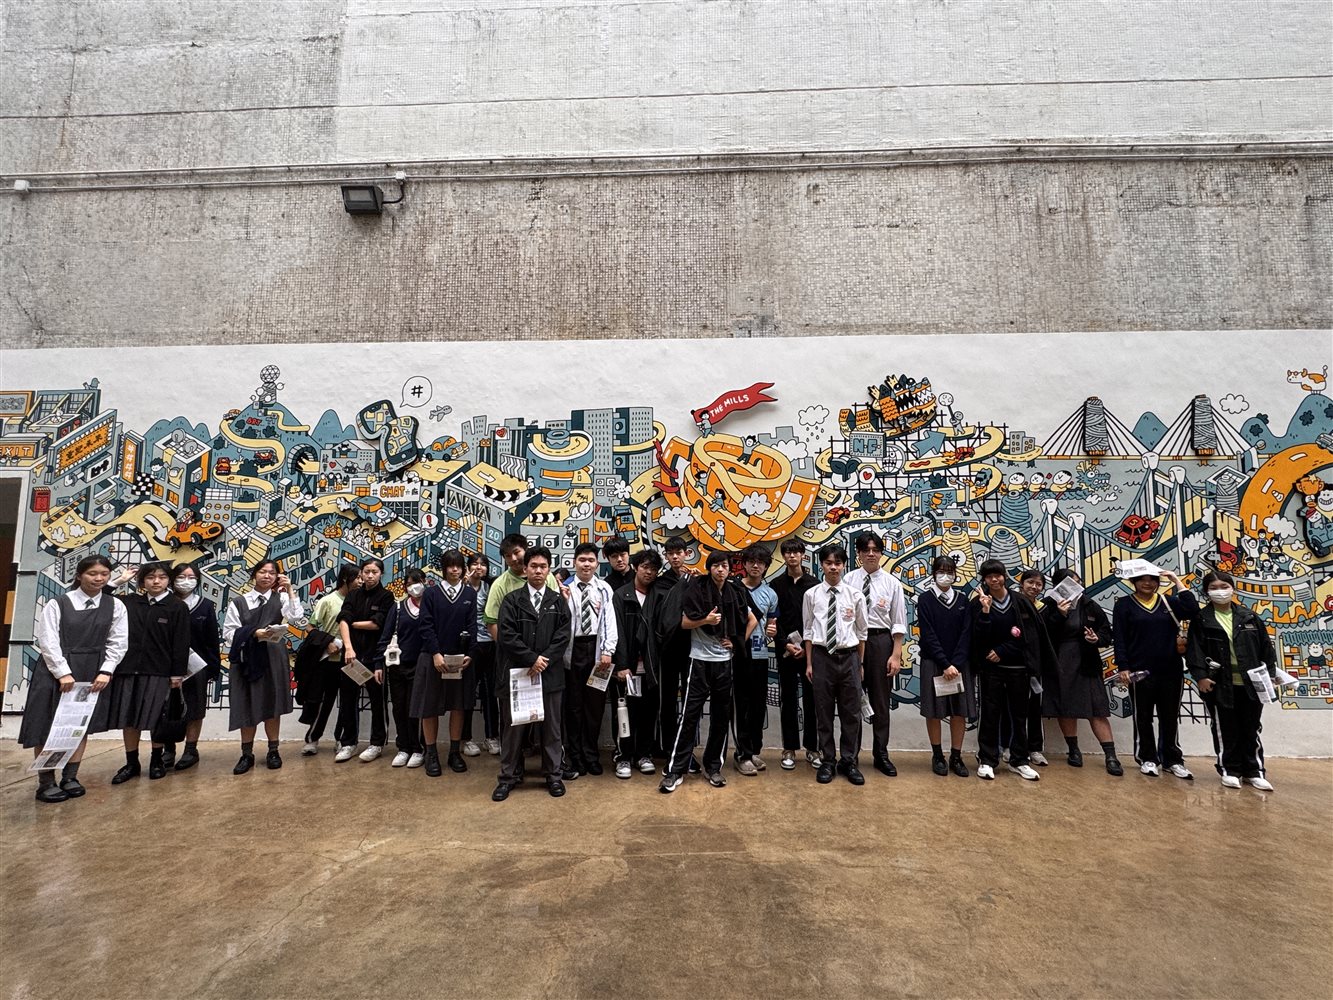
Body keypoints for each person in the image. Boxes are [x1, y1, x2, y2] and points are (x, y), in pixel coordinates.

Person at [22, 555, 127, 802]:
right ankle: (46, 782)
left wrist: (106, 670)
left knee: (79, 725)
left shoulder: (115, 605)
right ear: (79, 575)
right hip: (56, 670)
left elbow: (118, 641)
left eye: (104, 574)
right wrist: (63, 672)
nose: (99, 578)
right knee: (47, 725)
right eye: (92, 573)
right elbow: (47, 640)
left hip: (93, 671)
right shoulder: (58, 603)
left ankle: (70, 777)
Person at [660, 550, 755, 792]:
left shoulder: (734, 591)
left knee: (721, 716)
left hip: (724, 662)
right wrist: (706, 621)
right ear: (709, 568)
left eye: (724, 566)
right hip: (699, 661)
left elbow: (752, 619)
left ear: (730, 569)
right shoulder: (697, 588)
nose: (720, 570)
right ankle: (675, 770)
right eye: (715, 566)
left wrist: (737, 643)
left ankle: (713, 767)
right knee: (689, 715)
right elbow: (683, 623)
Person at [92, 562, 190, 783]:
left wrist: (177, 675)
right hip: (127, 670)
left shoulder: (177, 606)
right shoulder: (129, 602)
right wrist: (120, 580)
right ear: (142, 581)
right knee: (129, 719)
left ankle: (156, 760)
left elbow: (181, 643)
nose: (156, 581)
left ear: (169, 581)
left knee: (156, 718)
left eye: (162, 577)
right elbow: (102, 596)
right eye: (150, 577)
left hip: (159, 672)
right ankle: (131, 763)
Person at [493, 546, 572, 800]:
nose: (538, 571)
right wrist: (531, 659)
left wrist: (543, 660)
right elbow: (507, 635)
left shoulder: (558, 601)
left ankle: (554, 776)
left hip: (550, 674)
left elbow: (563, 636)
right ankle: (508, 777)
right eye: (533, 566)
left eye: (543, 567)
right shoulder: (511, 600)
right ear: (525, 569)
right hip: (519, 674)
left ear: (548, 570)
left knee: (552, 729)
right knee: (513, 728)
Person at [1186, 570, 1277, 790]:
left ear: (1232, 588)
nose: (1220, 591)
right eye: (1214, 588)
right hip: (1218, 683)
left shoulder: (1249, 616)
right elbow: (1195, 650)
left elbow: (1266, 647)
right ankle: (1230, 770)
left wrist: (1271, 674)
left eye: (1224, 586)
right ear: (1206, 592)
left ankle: (1254, 771)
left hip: (1251, 683)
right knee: (1225, 728)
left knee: (1251, 727)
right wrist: (1201, 676)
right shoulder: (1202, 619)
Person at [1111, 560, 1199, 779]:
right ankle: (1147, 758)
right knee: (1143, 716)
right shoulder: (1124, 605)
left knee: (1170, 716)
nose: (1147, 583)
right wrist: (1123, 667)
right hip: (1140, 671)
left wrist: (1176, 580)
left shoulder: (1169, 602)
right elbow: (1119, 638)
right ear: (1134, 581)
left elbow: (1193, 610)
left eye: (1152, 579)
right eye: (1142, 579)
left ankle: (1173, 760)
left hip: (1171, 670)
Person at [969, 559, 1054, 781]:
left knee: (1019, 716)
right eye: (989, 577)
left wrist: (1003, 650)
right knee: (989, 715)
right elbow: (977, 638)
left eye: (997, 575)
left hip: (1019, 669)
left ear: (1004, 576)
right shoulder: (978, 603)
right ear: (984, 580)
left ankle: (1019, 760)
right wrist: (985, 611)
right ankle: (987, 760)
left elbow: (1029, 636)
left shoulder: (1021, 601)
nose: (994, 580)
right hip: (991, 670)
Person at [1038, 567, 1122, 775]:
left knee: (1097, 709)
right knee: (1066, 707)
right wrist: (1060, 615)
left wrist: (1097, 639)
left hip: (1087, 662)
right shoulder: (1048, 605)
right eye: (1070, 582)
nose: (1076, 585)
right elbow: (1042, 634)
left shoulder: (1090, 605)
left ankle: (1110, 755)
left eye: (1077, 581)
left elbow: (1106, 633)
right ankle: (1073, 749)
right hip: (1060, 663)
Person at [223, 559, 304, 774]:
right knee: (246, 703)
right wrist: (253, 633)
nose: (267, 576)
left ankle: (273, 750)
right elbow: (228, 633)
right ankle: (246, 754)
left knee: (272, 703)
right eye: (262, 572)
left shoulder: (281, 598)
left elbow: (297, 616)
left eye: (271, 573)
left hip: (273, 657)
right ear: (254, 575)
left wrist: (290, 590)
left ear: (277, 577)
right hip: (247, 658)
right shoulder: (239, 602)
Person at [802, 544, 869, 786]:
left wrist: (859, 663)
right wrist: (809, 663)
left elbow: (862, 632)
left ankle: (849, 761)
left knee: (851, 714)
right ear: (821, 565)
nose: (833, 567)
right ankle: (828, 760)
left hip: (849, 657)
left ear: (844, 565)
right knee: (824, 713)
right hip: (822, 658)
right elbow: (808, 631)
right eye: (829, 563)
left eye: (838, 563)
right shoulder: (811, 595)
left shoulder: (855, 595)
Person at [843, 532, 906, 777]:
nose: (871, 554)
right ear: (858, 553)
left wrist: (896, 654)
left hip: (880, 642)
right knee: (853, 701)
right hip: (852, 642)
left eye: (875, 549)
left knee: (880, 702)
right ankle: (850, 757)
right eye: (866, 550)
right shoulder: (848, 579)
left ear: (881, 553)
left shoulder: (892, 583)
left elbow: (898, 622)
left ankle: (881, 754)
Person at [417, 552, 479, 775]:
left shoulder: (469, 593)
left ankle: (454, 752)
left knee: (458, 705)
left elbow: (472, 625)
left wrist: (470, 653)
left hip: (460, 660)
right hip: (433, 657)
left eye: (458, 566)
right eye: (450, 566)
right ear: (443, 568)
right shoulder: (431, 593)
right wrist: (435, 653)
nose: (455, 570)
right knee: (429, 707)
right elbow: (425, 625)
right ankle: (431, 753)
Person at [159, 561, 223, 771]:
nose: (186, 581)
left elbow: (212, 639)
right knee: (166, 708)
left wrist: (213, 667)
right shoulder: (164, 603)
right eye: (181, 577)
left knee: (195, 709)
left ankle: (191, 750)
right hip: (166, 666)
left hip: (197, 668)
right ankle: (168, 749)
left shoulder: (204, 605)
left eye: (191, 577)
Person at [563, 542, 619, 776]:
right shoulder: (565, 588)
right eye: (582, 560)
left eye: (591, 560)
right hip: (573, 651)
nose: (586, 564)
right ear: (574, 562)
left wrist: (608, 650)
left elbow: (610, 621)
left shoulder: (604, 588)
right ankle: (575, 756)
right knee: (573, 706)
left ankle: (591, 755)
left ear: (597, 564)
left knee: (595, 707)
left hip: (597, 651)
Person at [915, 556, 973, 777]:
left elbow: (967, 633)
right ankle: (937, 755)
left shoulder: (963, 599)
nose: (945, 576)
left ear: (955, 574)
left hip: (959, 665)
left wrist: (955, 663)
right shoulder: (925, 599)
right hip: (933, 662)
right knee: (934, 712)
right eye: (941, 571)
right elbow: (928, 634)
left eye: (949, 571)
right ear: (933, 574)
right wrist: (945, 663)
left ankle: (956, 756)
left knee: (959, 711)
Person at [610, 549, 666, 778]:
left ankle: (644, 755)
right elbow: (617, 632)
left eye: (653, 568)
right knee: (625, 713)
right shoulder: (621, 595)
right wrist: (622, 665)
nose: (649, 572)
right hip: (629, 668)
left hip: (651, 668)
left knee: (648, 712)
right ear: (635, 567)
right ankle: (623, 756)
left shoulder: (659, 596)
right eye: (644, 567)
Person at [336, 558, 396, 763]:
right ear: (361, 573)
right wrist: (348, 647)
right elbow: (342, 620)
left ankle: (376, 743)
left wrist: (351, 622)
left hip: (374, 658)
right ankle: (348, 743)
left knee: (378, 702)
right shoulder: (353, 595)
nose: (370, 575)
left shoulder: (386, 596)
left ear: (381, 574)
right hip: (351, 657)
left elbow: (376, 625)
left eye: (375, 572)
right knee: (348, 701)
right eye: (367, 571)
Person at [299, 564, 359, 756]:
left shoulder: (359, 600)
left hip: (351, 660)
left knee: (347, 703)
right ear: (346, 579)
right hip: (328, 661)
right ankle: (312, 738)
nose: (360, 581)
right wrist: (327, 642)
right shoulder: (328, 601)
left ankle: (342, 739)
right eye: (357, 578)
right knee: (322, 701)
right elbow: (310, 627)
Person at [770, 538, 819, 770]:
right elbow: (773, 620)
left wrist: (809, 647)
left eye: (796, 552)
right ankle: (789, 748)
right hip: (787, 651)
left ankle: (813, 748)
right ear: (784, 556)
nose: (792, 556)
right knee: (788, 699)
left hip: (811, 652)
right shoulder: (776, 584)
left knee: (812, 700)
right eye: (788, 552)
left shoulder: (815, 584)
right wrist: (785, 644)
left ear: (802, 555)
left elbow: (819, 619)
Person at [374, 567, 429, 770]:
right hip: (397, 666)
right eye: (409, 584)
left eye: (417, 582)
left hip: (420, 666)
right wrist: (378, 663)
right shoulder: (397, 608)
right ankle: (403, 747)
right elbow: (385, 636)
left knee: (415, 709)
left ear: (425, 582)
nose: (414, 587)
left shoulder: (430, 607)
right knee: (398, 707)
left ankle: (417, 748)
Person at [734, 544, 778, 775]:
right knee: (742, 704)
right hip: (738, 652)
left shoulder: (771, 594)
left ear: (766, 566)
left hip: (761, 652)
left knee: (758, 705)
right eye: (751, 561)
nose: (755, 566)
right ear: (744, 564)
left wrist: (772, 631)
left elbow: (772, 624)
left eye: (760, 562)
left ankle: (754, 751)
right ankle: (742, 754)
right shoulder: (733, 588)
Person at [656, 536, 696, 767]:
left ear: (686, 554)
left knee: (691, 702)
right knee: (668, 702)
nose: (674, 557)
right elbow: (663, 613)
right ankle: (668, 747)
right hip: (668, 649)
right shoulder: (661, 583)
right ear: (666, 556)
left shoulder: (695, 579)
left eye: (678, 552)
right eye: (670, 553)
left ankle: (686, 750)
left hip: (692, 648)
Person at [460, 553, 499, 757]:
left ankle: (491, 736)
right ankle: (465, 739)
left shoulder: (491, 587)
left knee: (490, 692)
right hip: (468, 645)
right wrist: (463, 585)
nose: (479, 567)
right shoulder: (461, 588)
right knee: (467, 692)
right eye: (475, 564)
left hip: (490, 644)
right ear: (467, 567)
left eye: (483, 564)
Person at [1012, 569, 1051, 766]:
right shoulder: (1012, 604)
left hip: (1036, 666)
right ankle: (1011, 748)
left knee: (1034, 708)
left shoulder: (1045, 609)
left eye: (1038, 584)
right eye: (1030, 582)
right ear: (1022, 583)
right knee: (1011, 710)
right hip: (1013, 664)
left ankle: (1035, 748)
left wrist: (1061, 614)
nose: (1034, 587)